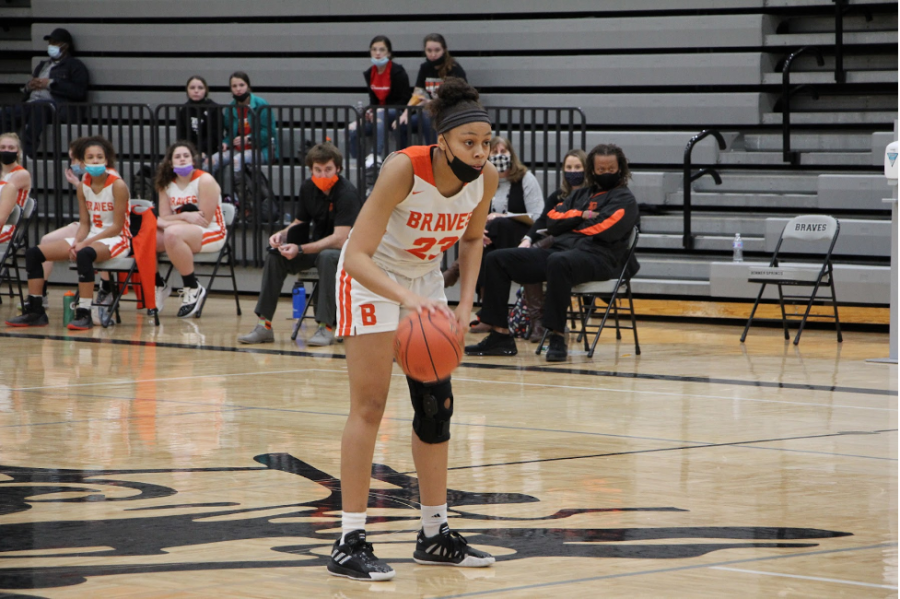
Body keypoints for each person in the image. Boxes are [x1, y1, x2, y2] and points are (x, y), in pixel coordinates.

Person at [327, 78, 497, 582]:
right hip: (371, 278)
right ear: (442, 141)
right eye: (469, 142)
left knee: (436, 406)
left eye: (486, 142)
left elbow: (470, 242)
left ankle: (434, 534)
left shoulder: (484, 180)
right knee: (371, 404)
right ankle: (349, 539)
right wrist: (408, 301)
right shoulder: (404, 168)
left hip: (422, 281)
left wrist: (465, 303)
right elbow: (354, 254)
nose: (480, 152)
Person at [465, 143, 639, 362]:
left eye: (610, 170)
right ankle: (500, 335)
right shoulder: (580, 195)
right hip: (562, 252)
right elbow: (551, 219)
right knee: (498, 259)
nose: (605, 174)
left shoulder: (625, 199)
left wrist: (569, 224)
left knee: (559, 261)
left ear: (620, 170)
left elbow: (605, 230)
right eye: (601, 170)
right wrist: (580, 216)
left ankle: (557, 338)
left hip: (600, 258)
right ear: (592, 171)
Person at [238, 142, 360, 347]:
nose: (323, 175)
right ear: (311, 170)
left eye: (328, 169)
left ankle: (326, 327)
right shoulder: (307, 187)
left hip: (349, 253)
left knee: (327, 256)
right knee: (275, 256)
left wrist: (301, 249)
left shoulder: (347, 193)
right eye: (318, 170)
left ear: (338, 168)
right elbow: (299, 222)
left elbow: (340, 239)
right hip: (318, 250)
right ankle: (264, 325)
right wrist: (283, 235)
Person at [6, 136, 130, 330]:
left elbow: (117, 227)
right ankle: (36, 311)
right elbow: (84, 224)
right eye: (91, 157)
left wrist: (85, 244)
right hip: (92, 235)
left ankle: (84, 313)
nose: (96, 161)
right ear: (83, 161)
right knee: (34, 254)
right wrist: (78, 241)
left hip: (116, 238)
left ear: (106, 160)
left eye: (100, 157)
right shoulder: (83, 186)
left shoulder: (118, 185)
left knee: (84, 254)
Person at [444, 136, 543, 320]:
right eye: (495, 152)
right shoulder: (482, 180)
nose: (499, 156)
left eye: (503, 152)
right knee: (487, 241)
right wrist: (477, 231)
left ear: (511, 155)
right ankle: (491, 316)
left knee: (496, 226)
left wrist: (503, 217)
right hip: (494, 238)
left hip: (523, 237)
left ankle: (457, 274)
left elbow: (538, 216)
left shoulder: (525, 179)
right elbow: (469, 213)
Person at [518, 148, 587, 342]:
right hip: (557, 246)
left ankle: (551, 321)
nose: (573, 171)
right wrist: (527, 239)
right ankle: (537, 323)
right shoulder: (558, 196)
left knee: (540, 257)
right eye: (569, 167)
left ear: (586, 169)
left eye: (578, 167)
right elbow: (542, 221)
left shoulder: (593, 196)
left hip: (578, 249)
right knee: (528, 257)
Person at [153, 141, 226, 318]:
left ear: (193, 160)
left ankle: (192, 287)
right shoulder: (165, 184)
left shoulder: (205, 180)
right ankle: (158, 285)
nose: (182, 159)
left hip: (212, 231)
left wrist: (168, 222)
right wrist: (184, 217)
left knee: (171, 233)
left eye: (186, 155)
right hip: (183, 229)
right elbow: (162, 217)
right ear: (171, 162)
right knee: (150, 237)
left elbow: (204, 221)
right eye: (177, 156)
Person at [0, 28, 89, 158]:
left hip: (56, 106)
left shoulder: (74, 65)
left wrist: (50, 84)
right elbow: (26, 92)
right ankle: (6, 148)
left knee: (39, 107)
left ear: (66, 46)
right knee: (5, 113)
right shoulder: (42, 65)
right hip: (32, 103)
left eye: (55, 43)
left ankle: (28, 151)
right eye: (50, 43)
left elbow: (79, 92)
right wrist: (30, 87)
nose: (51, 46)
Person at [395, 33, 466, 148]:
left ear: (444, 50)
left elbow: (459, 98)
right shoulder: (425, 68)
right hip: (430, 111)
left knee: (427, 115)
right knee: (402, 124)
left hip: (449, 113)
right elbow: (418, 93)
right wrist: (405, 113)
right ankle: (404, 158)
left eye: (437, 50)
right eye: (429, 51)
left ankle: (433, 154)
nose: (433, 54)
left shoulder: (454, 69)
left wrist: (431, 103)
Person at [349, 36, 411, 162]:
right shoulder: (369, 73)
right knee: (352, 128)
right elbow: (373, 101)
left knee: (381, 115)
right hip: (379, 113)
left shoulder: (397, 71)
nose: (377, 53)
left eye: (382, 50)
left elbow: (405, 99)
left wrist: (379, 111)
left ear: (388, 52)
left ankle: (375, 154)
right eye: (374, 49)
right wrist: (369, 112)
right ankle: (359, 162)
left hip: (396, 111)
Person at [211, 72, 277, 177]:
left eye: (241, 85)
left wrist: (248, 139)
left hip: (261, 150)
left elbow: (269, 132)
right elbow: (230, 134)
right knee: (211, 161)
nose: (238, 89)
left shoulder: (261, 104)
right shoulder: (230, 107)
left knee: (237, 160)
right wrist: (226, 143)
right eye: (234, 86)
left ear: (248, 86)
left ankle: (238, 194)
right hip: (238, 149)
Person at [175, 76, 223, 164]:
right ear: (187, 90)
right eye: (192, 88)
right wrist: (191, 152)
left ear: (206, 90)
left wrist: (202, 151)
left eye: (200, 88)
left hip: (210, 152)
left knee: (203, 165)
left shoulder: (214, 108)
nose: (196, 91)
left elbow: (215, 136)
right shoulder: (184, 110)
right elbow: (181, 136)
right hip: (189, 152)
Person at [0, 133, 32, 245]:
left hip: (8, 225)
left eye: (11, 148)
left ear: (18, 151)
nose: (6, 151)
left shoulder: (21, 174)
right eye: (2, 147)